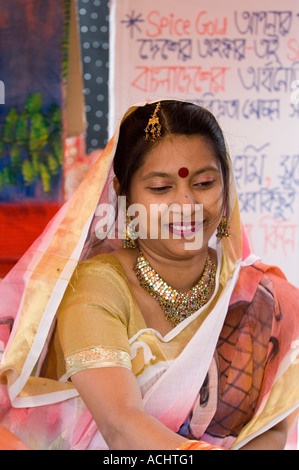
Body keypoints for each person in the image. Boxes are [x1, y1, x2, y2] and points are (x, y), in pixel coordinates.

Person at [0, 100, 298, 450]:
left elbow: (271, 426)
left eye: (204, 183)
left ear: (227, 186)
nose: (187, 204)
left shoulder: (263, 299)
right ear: (124, 196)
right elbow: (121, 426)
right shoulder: (96, 288)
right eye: (160, 188)